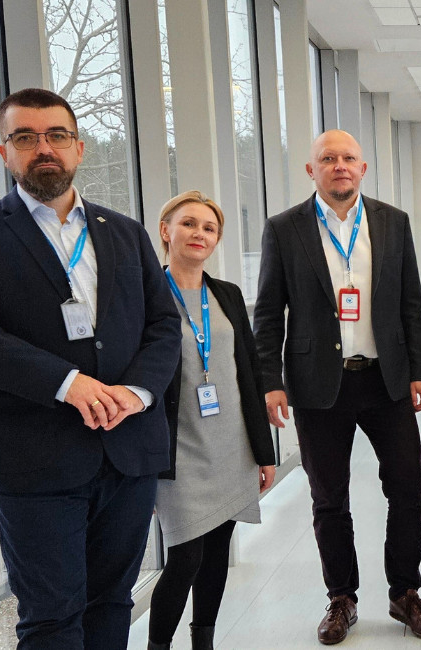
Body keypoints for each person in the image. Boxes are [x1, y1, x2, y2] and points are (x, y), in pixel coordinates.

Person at [0, 88, 181, 648]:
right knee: (51, 618)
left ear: (79, 147)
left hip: (127, 450)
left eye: (56, 135)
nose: (43, 148)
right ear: (4, 152)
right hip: (36, 460)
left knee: (112, 603)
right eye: (25, 137)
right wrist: (67, 384)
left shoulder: (125, 231)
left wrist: (138, 392)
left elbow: (163, 325)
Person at [252, 129, 421, 645]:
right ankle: (341, 598)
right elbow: (267, 312)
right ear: (311, 170)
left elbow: (411, 301)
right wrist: (270, 381)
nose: (339, 165)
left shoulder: (393, 222)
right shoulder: (284, 228)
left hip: (386, 379)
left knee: (408, 487)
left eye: (349, 158)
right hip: (317, 385)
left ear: (362, 168)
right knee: (328, 497)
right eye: (328, 158)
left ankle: (405, 593)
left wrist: (420, 369)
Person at [146, 191, 277, 650]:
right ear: (166, 231)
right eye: (188, 224)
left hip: (230, 443)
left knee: (218, 551)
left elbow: (250, 374)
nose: (199, 234)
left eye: (209, 228)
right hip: (178, 448)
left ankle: (204, 640)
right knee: (184, 557)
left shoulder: (227, 294)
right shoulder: (146, 295)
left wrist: (263, 451)